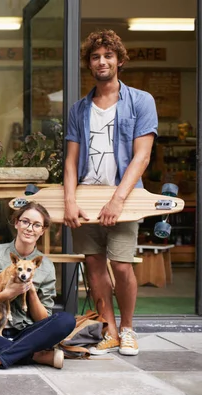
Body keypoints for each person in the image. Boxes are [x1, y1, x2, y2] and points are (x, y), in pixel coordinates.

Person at [64, 29, 157, 357]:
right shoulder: (79, 109)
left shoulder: (141, 101)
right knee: (94, 264)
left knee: (120, 265)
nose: (101, 61)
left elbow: (142, 156)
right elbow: (72, 160)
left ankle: (129, 328)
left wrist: (118, 199)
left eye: (107, 56)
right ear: (89, 63)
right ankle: (109, 330)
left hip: (125, 198)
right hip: (86, 197)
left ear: (119, 60)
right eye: (95, 57)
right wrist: (70, 200)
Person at [0, 202, 76, 371]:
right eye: (25, 221)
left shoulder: (45, 266)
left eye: (36, 225)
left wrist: (31, 290)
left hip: (29, 332)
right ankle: (34, 355)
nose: (29, 228)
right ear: (17, 223)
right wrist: (6, 294)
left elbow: (44, 320)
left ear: (42, 231)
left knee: (66, 320)